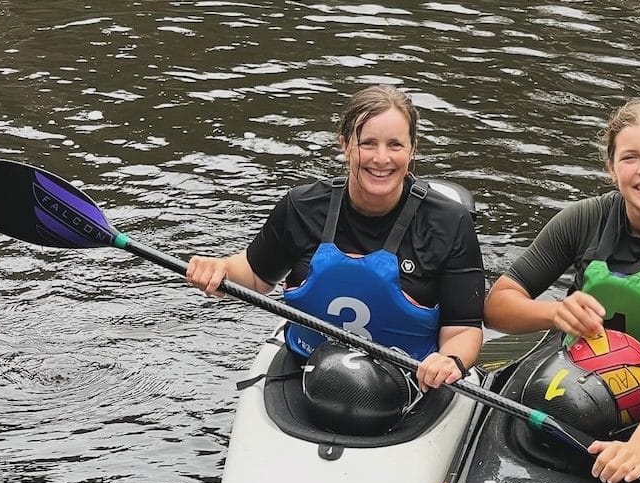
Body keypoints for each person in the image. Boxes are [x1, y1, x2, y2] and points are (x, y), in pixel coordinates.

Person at [484, 99, 640, 483]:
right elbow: (498, 306)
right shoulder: (583, 219)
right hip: (574, 386)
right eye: (630, 157)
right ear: (611, 168)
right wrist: (553, 314)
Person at [186, 84, 484, 394]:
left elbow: (462, 329)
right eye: (367, 143)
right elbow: (255, 276)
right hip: (306, 368)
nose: (381, 159)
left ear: (412, 150)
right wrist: (218, 268)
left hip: (410, 381)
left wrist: (450, 360)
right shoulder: (301, 207)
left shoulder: (450, 223)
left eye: (395, 145)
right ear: (344, 145)